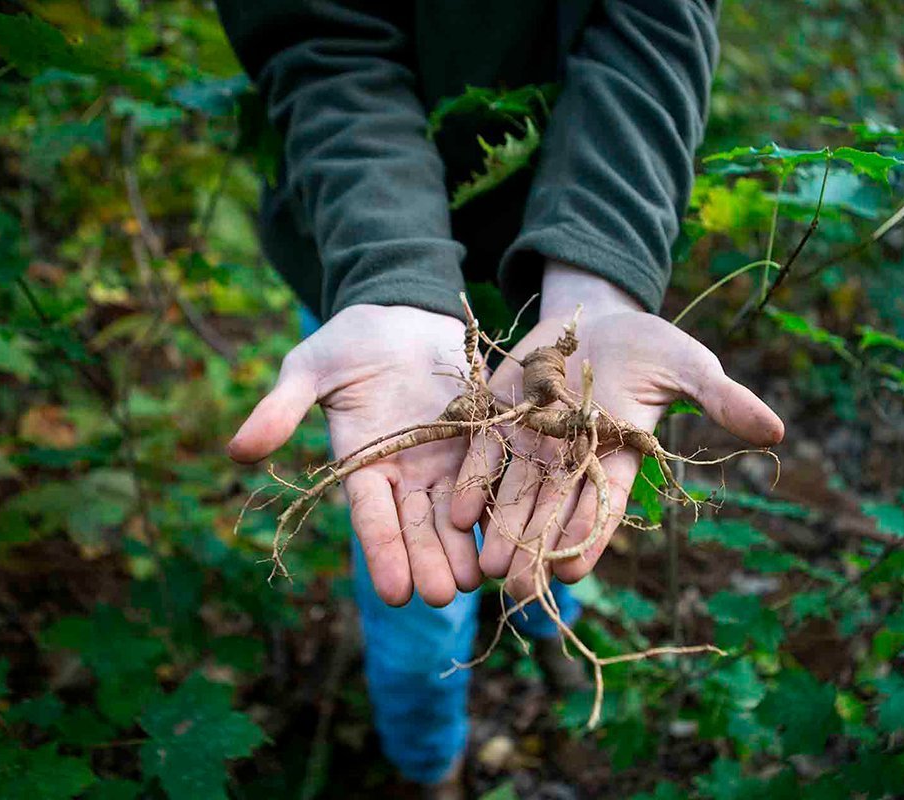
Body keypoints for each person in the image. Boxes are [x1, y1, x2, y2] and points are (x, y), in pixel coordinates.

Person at [215, 1, 784, 796]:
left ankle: (547, 625)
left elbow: (655, 24)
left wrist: (600, 279)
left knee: (558, 506)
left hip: (572, 276)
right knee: (421, 601)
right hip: (368, 282)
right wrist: (393, 275)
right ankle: (429, 766)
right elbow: (320, 39)